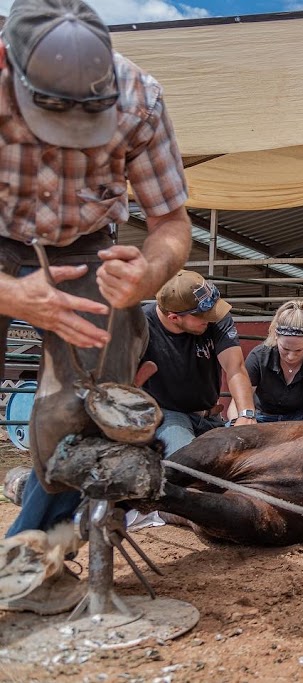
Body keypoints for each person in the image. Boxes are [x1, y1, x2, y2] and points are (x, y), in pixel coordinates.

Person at [0, 0, 192, 615]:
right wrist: (13, 292)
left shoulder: (140, 100)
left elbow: (170, 223)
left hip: (86, 248)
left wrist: (151, 272)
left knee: (85, 410)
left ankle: (36, 559)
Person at [140, 270, 257, 456]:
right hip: (168, 414)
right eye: (203, 315)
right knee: (189, 463)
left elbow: (234, 367)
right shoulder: (141, 326)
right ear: (174, 317)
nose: (211, 318)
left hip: (210, 414)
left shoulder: (215, 318)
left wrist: (246, 414)